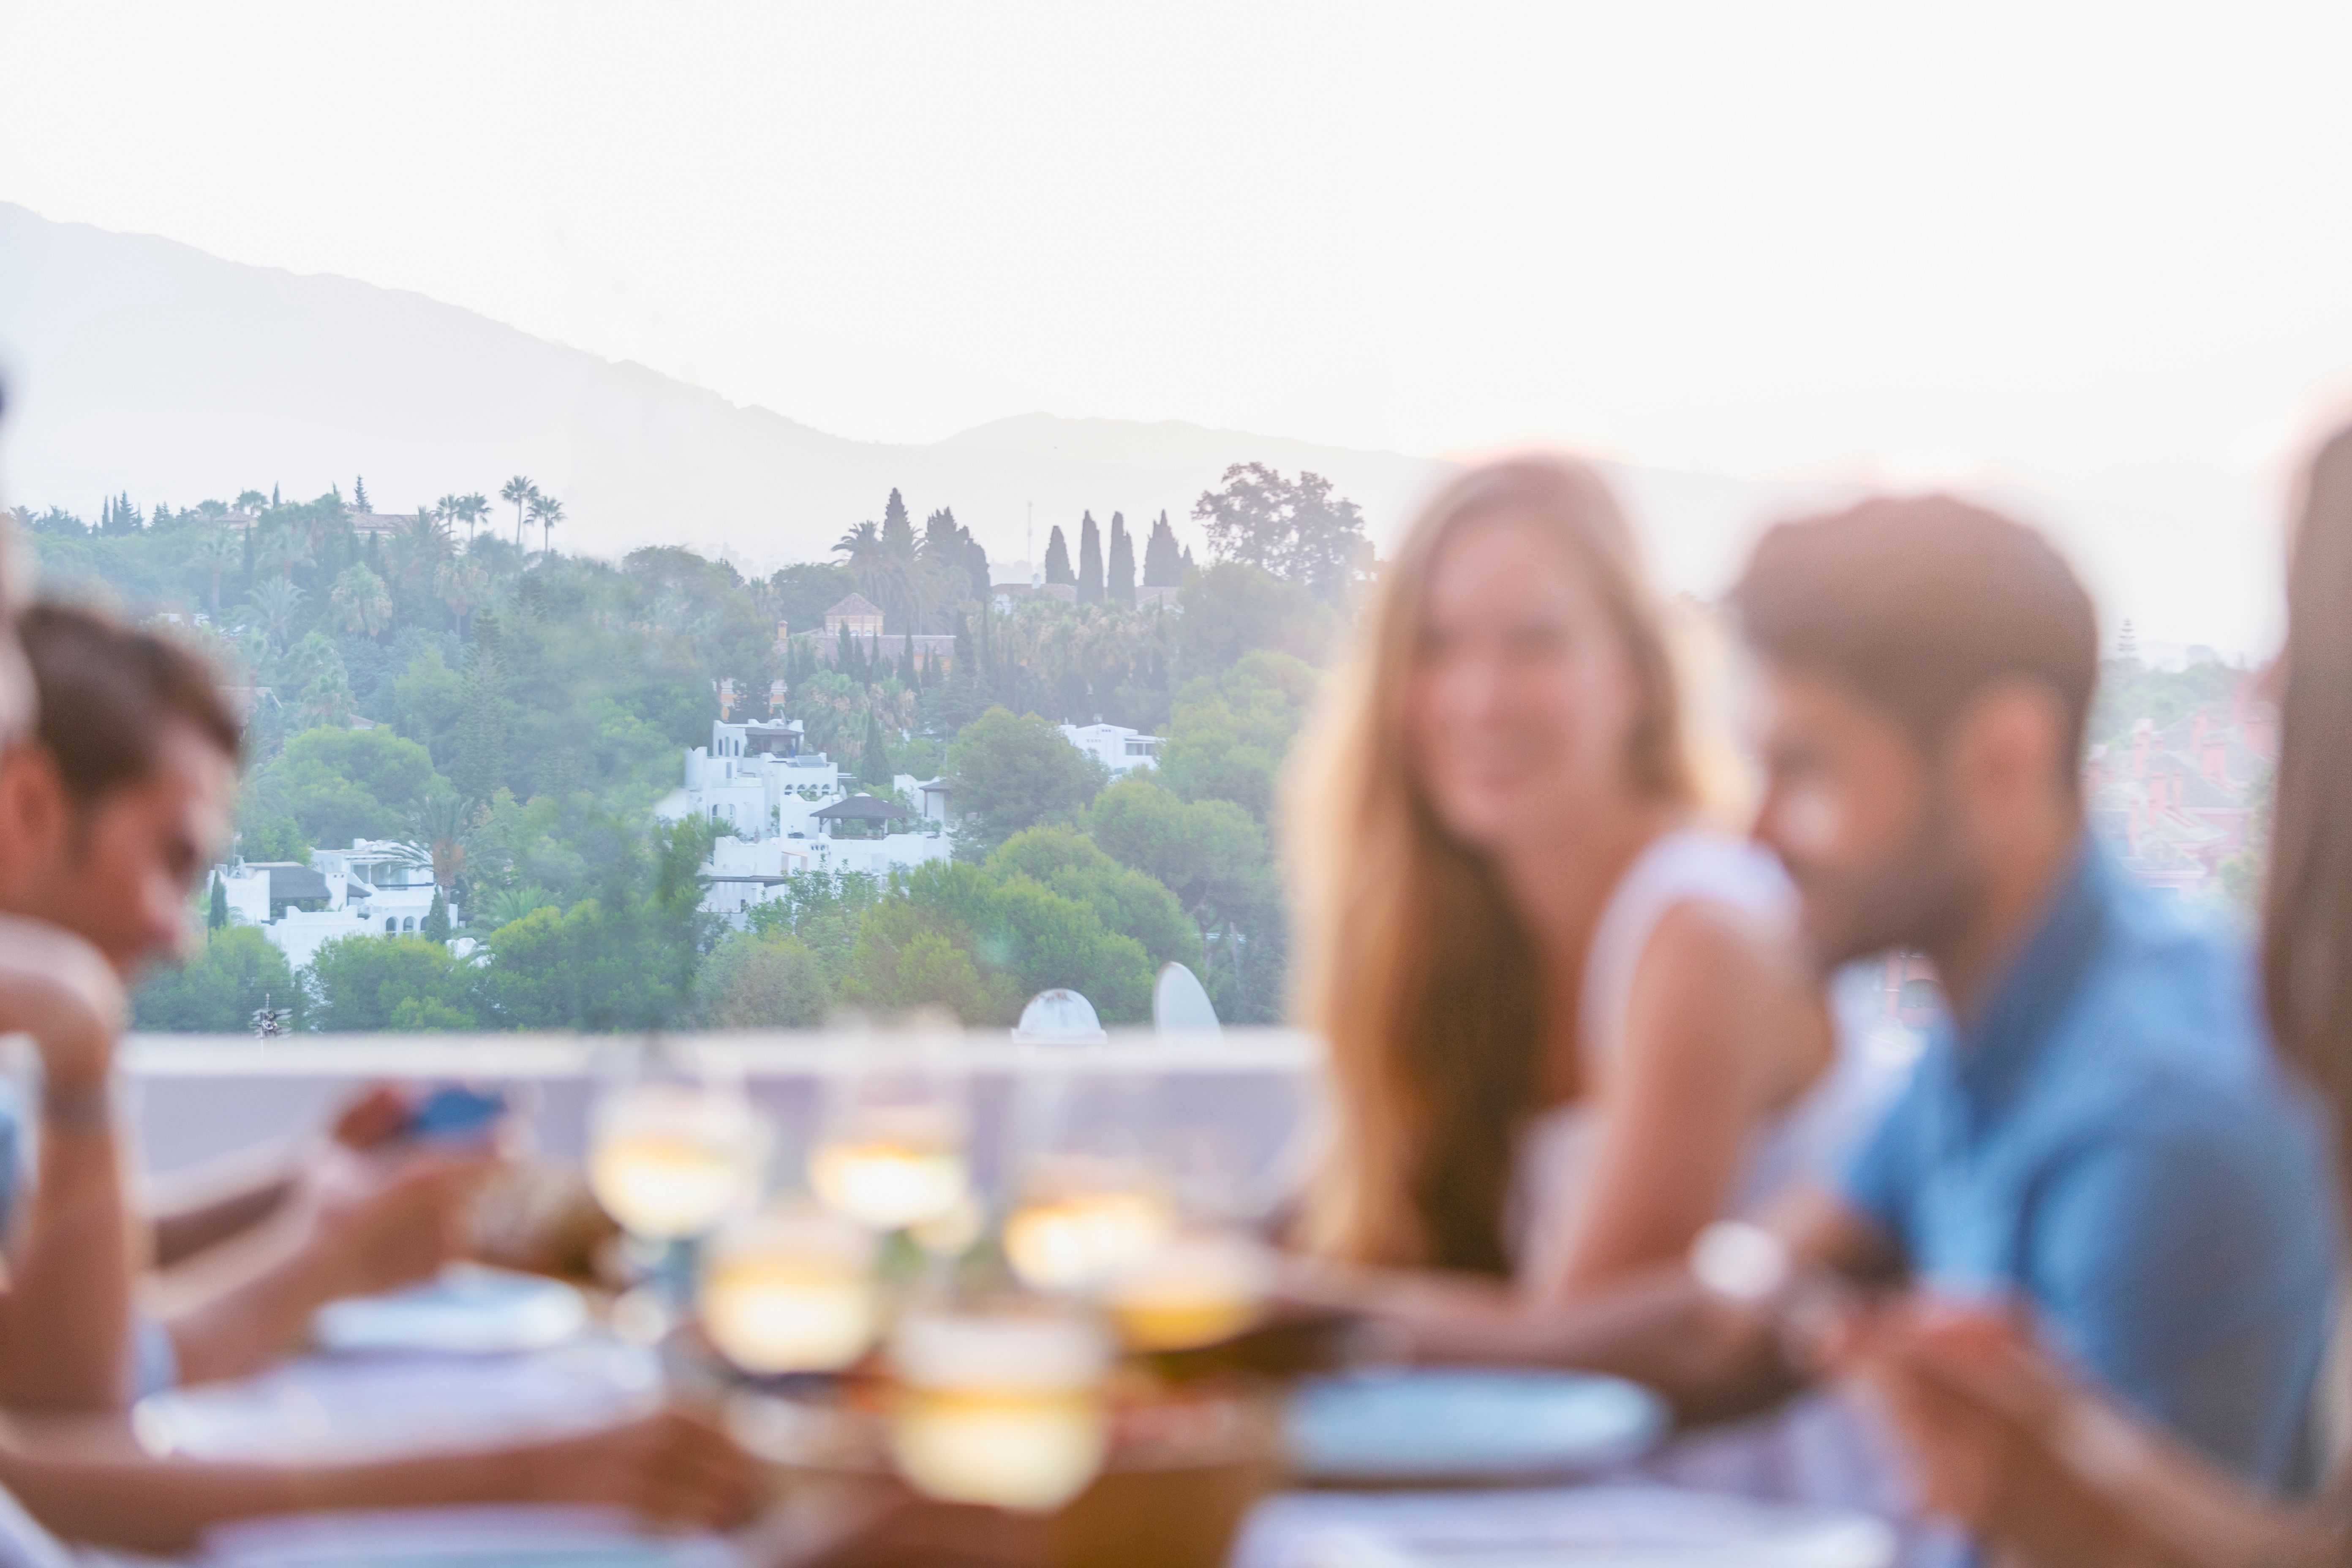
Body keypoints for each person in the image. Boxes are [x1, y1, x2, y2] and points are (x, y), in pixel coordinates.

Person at [1362, 493, 2336, 1516]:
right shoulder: (1989, 1026)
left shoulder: (2151, 1117)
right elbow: (1729, 1326)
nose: (1758, 835)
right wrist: (1312, 1323)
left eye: (1806, 769)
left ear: (2002, 759)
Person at [0, 599, 759, 1552]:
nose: (179, 933)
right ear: (27, 804)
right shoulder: (56, 1025)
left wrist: (305, 1181)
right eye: (174, 859)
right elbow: (66, 1406)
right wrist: (330, 1265)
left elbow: (45, 1298)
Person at [1836, 429, 2352, 1565]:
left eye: (2311, 633)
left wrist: (2076, 1494)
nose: (2264, 682)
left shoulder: (2165, 1105)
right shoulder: (1977, 1024)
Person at [1284, 455, 1857, 1320]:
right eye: (1436, 647)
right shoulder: (1469, 937)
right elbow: (1322, 1216)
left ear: (1636, 672)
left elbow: (1571, 1354)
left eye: (1535, 643)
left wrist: (1279, 1317)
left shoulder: (1702, 932)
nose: (1480, 696)